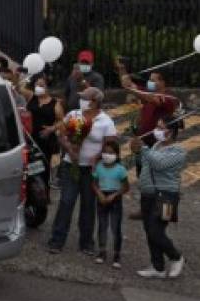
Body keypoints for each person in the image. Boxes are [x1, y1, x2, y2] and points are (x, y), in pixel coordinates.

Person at [48, 87, 118, 255]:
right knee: (66, 202)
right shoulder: (73, 115)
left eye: (85, 97)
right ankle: (57, 241)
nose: (81, 100)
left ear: (94, 101)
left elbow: (111, 146)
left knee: (88, 206)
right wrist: (69, 149)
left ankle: (86, 243)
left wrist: (98, 157)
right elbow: (61, 134)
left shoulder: (105, 121)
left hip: (90, 170)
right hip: (70, 165)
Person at [131, 119, 186, 279]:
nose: (156, 130)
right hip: (148, 195)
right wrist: (137, 152)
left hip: (167, 196)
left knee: (156, 231)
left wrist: (144, 149)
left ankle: (176, 257)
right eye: (156, 126)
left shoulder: (178, 151)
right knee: (149, 231)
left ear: (170, 132)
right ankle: (158, 267)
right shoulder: (155, 147)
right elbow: (145, 163)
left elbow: (159, 164)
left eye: (160, 127)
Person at [117, 63, 179, 151]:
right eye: (150, 80)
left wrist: (133, 90)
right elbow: (128, 85)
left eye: (153, 80)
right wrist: (122, 70)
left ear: (162, 82)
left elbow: (153, 99)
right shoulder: (148, 92)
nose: (149, 83)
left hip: (158, 143)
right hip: (143, 141)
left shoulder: (169, 97)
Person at [22, 74, 64, 190]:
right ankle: (30, 196)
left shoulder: (55, 103)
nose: (38, 87)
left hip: (45, 141)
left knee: (43, 169)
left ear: (47, 87)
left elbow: (62, 121)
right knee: (29, 169)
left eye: (42, 85)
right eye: (36, 85)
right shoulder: (31, 97)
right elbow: (20, 88)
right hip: (30, 139)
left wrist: (51, 129)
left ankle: (44, 195)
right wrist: (28, 78)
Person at [91, 141, 129, 269]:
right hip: (101, 198)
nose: (107, 155)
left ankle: (116, 255)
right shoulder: (99, 167)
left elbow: (126, 187)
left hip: (115, 199)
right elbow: (94, 183)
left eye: (111, 153)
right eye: (105, 152)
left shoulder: (120, 169)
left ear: (117, 155)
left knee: (115, 228)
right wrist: (99, 194)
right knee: (102, 225)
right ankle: (102, 252)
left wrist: (115, 195)